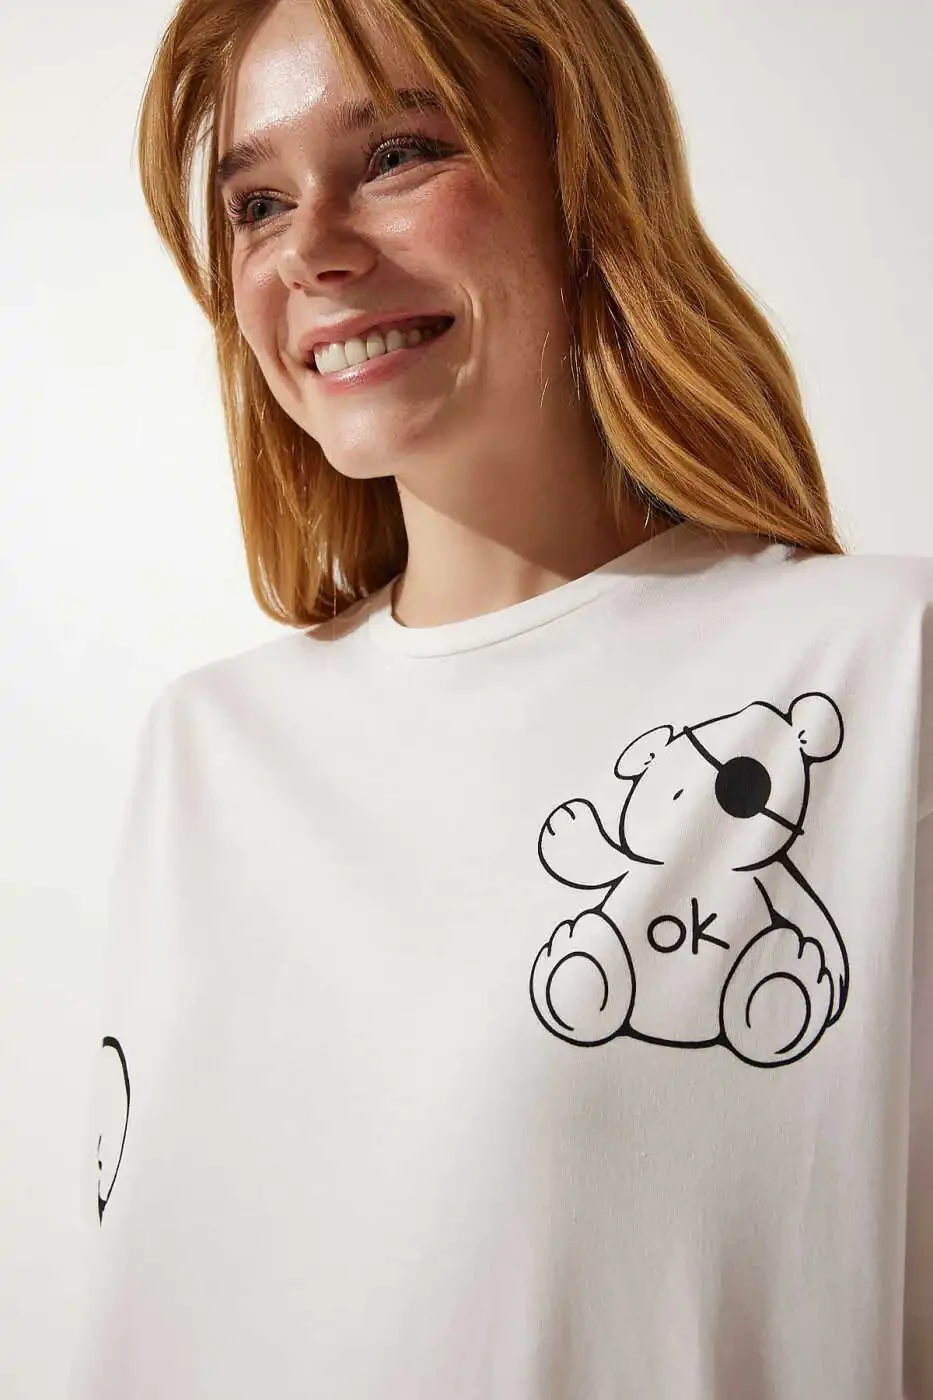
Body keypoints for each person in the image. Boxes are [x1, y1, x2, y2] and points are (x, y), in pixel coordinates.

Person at [69, 0, 933, 1396]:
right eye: (258, 204)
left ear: (587, 178)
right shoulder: (206, 751)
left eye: (397, 154)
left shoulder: (879, 674)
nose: (312, 250)